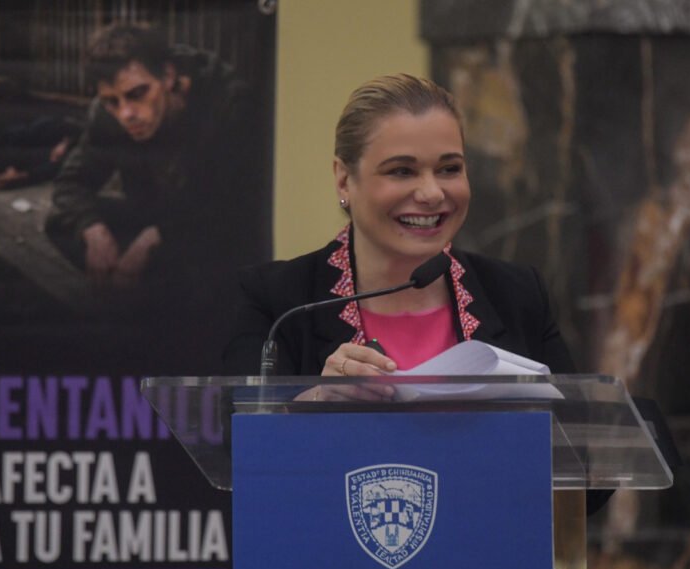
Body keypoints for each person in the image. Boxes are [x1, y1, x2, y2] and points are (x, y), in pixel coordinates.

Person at [223, 73, 574, 379]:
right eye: (402, 171)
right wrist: (315, 400)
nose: (432, 193)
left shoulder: (517, 295)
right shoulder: (278, 304)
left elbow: (572, 427)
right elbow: (238, 426)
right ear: (344, 181)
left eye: (449, 169)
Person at [46, 23, 261, 292]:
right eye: (112, 101)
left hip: (209, 223)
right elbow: (70, 183)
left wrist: (153, 240)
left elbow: (233, 207)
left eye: (137, 94)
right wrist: (94, 231)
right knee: (62, 222)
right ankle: (137, 284)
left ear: (168, 76)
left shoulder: (227, 103)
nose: (126, 114)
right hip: (153, 212)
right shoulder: (106, 113)